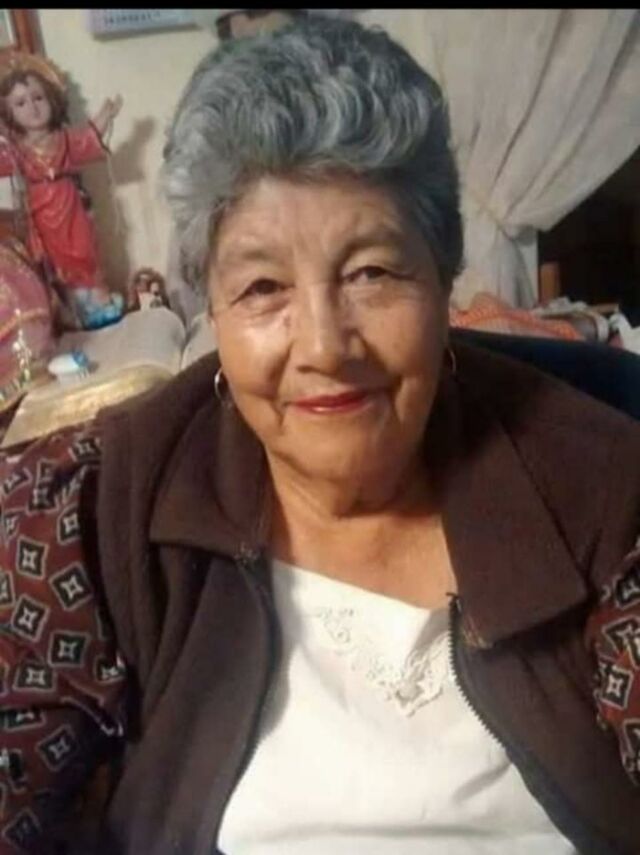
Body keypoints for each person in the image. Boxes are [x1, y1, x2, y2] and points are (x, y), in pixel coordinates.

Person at [0, 16, 639, 854]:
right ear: (212, 308)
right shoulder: (105, 505)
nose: (326, 346)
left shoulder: (601, 488)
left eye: (372, 272)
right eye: (263, 287)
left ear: (444, 279)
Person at [0, 52, 124, 331]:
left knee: (84, 252)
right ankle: (67, 312)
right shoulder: (16, 150)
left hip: (70, 206)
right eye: (20, 103)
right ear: (8, 113)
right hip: (40, 215)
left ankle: (97, 305)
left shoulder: (64, 141)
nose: (32, 107)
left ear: (52, 100)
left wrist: (106, 115)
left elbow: (89, 138)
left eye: (38, 98)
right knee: (51, 264)